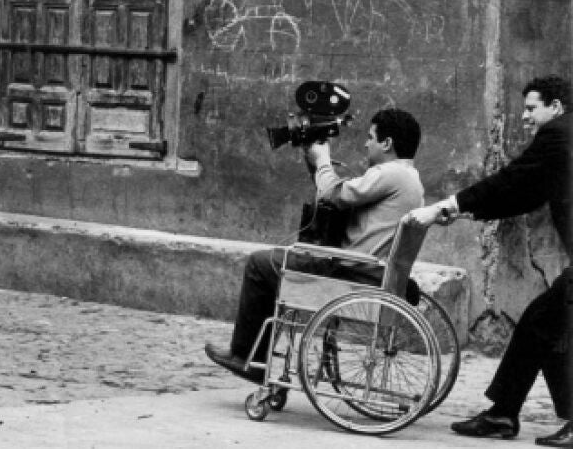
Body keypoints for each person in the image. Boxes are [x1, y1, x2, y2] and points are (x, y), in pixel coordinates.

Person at [403, 75, 572, 445]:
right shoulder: (564, 142)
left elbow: (510, 180)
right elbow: (524, 194)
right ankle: (503, 414)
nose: (524, 117)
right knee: (541, 324)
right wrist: (463, 212)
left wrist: (447, 206)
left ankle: (506, 414)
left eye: (531, 108)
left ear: (556, 107)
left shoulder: (558, 134)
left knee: (547, 324)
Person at [205, 108, 425, 381]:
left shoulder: (390, 174)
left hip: (349, 273)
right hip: (370, 272)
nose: (365, 144)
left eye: (371, 137)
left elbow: (334, 194)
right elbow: (333, 195)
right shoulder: (410, 179)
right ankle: (255, 357)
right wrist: (316, 164)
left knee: (259, 264)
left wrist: (322, 160)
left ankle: (246, 357)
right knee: (275, 263)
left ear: (387, 143)